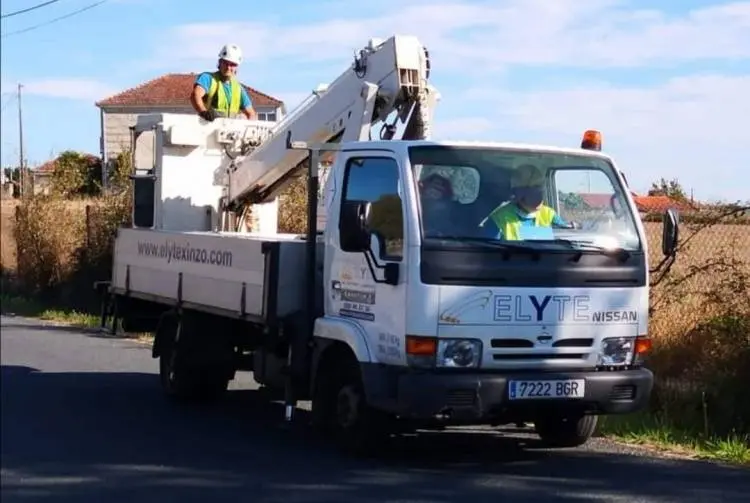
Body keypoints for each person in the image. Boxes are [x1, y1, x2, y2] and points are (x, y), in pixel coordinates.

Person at [480, 164, 572, 240]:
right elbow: (487, 254)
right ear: (518, 192)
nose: (539, 191)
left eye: (540, 186)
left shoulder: (549, 214)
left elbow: (567, 239)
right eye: (533, 187)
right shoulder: (499, 219)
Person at [190, 43, 257, 121]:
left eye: (232, 64)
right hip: (208, 127)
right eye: (225, 63)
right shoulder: (208, 78)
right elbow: (195, 95)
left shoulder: (238, 89)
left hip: (228, 131)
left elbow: (251, 113)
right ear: (220, 62)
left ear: (236, 67)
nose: (228, 67)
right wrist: (203, 112)